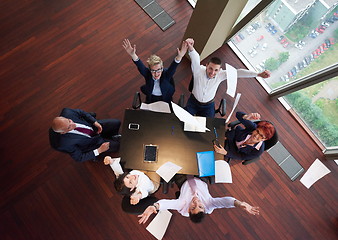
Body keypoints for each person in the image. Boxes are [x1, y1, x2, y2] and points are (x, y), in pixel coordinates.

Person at [184, 38, 271, 117]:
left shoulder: (221, 74)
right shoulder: (198, 70)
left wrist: (258, 74)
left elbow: (238, 72)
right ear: (206, 65)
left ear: (220, 69)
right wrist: (191, 47)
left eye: (216, 70)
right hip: (194, 102)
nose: (212, 73)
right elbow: (195, 58)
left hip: (208, 105)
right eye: (210, 68)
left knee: (209, 125)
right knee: (183, 119)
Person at [138, 175, 259, 224]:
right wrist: (240, 204)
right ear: (204, 208)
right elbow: (226, 202)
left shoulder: (181, 206)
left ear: (188, 210)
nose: (196, 203)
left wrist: (154, 207)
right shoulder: (210, 205)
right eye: (200, 206)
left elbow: (166, 204)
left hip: (183, 180)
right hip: (201, 178)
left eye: (193, 207)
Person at [122, 38, 188, 104]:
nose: (156, 74)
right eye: (153, 71)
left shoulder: (166, 74)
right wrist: (133, 55)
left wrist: (180, 56)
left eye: (158, 70)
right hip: (151, 98)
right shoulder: (148, 74)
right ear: (150, 70)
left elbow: (173, 67)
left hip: (165, 98)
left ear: (162, 68)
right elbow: (140, 66)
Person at [51, 108, 120, 162]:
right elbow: (79, 158)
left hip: (93, 127)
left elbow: (81, 113)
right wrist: (99, 150)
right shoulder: (65, 143)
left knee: (117, 123)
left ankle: (112, 136)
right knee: (117, 146)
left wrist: (94, 122)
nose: (73, 124)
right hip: (92, 144)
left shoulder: (67, 112)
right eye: (69, 127)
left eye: (69, 121)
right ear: (63, 132)